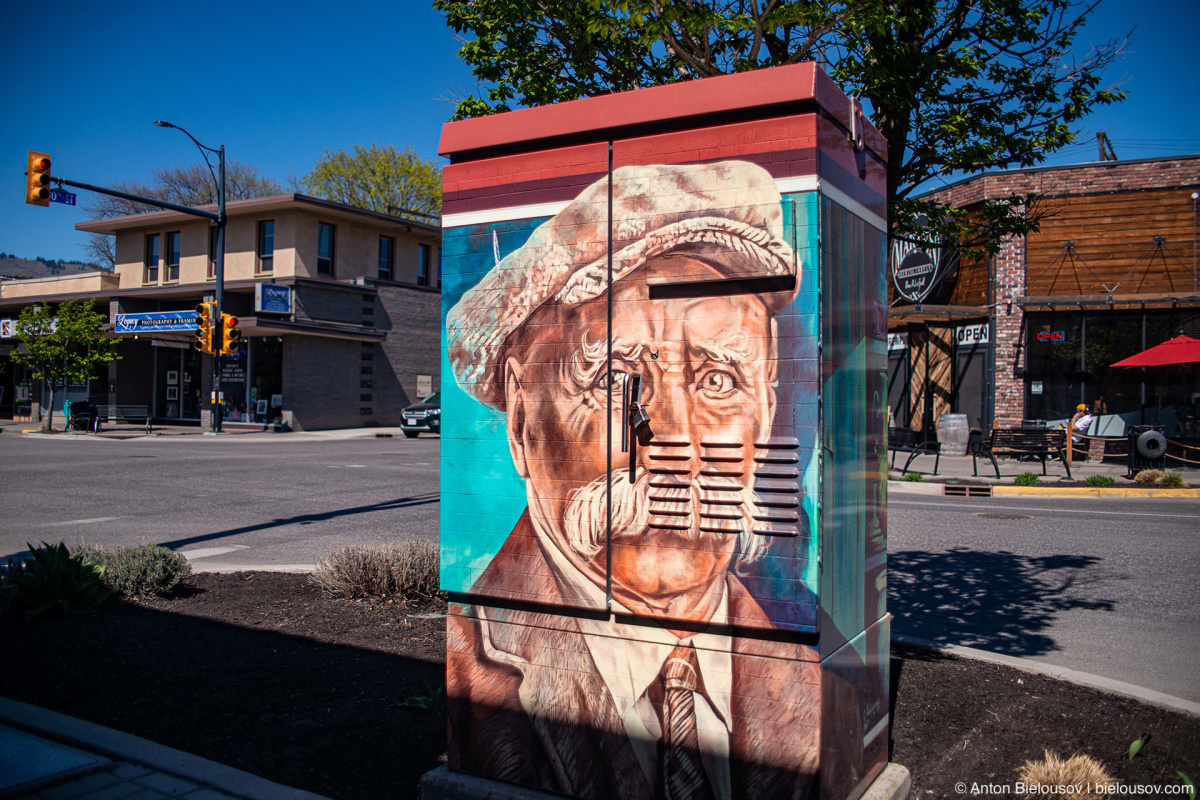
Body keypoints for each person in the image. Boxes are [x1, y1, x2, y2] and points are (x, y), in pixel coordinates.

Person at [443, 162, 876, 800]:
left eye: (718, 381)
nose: (675, 448)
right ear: (520, 416)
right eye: (617, 382)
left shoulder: (817, 680)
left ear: (766, 408)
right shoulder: (470, 658)